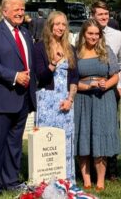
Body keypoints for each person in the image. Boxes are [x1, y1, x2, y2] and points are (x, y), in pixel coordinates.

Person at [0, 0, 36, 194]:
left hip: (22, 99)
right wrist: (14, 76)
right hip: (0, 97)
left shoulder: (25, 34)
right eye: (16, 9)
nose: (21, 13)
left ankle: (11, 180)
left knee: (14, 143)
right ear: (4, 11)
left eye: (22, 9)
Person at [74, 19, 121, 191]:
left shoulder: (106, 51)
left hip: (104, 98)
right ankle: (86, 179)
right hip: (82, 100)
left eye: (96, 34)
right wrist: (86, 86)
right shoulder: (76, 52)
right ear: (83, 34)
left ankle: (100, 179)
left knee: (101, 137)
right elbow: (71, 80)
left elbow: (115, 75)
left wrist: (107, 85)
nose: (94, 37)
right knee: (84, 137)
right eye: (90, 33)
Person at [33, 11, 78, 182]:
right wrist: (53, 63)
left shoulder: (70, 48)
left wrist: (70, 99)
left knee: (65, 140)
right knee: (46, 141)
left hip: (65, 101)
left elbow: (74, 78)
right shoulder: (39, 48)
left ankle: (66, 179)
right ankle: (44, 180)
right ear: (50, 25)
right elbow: (40, 77)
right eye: (57, 24)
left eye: (63, 24)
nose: (60, 27)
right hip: (46, 101)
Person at [90, 0, 121, 181]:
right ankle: (92, 169)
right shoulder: (85, 34)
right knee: (91, 127)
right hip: (89, 91)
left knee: (110, 129)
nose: (104, 17)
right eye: (100, 14)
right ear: (93, 15)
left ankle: (111, 169)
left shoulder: (117, 35)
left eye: (106, 14)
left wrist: (118, 85)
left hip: (111, 90)